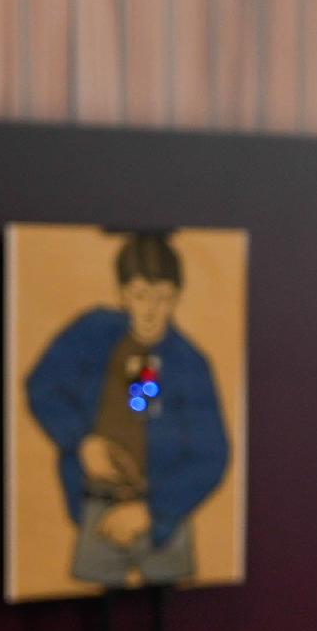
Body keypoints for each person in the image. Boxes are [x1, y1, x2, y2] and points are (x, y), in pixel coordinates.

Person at [22, 230, 231, 588]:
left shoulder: (190, 363)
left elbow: (212, 455)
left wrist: (152, 512)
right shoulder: (93, 333)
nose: (151, 310)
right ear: (122, 294)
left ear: (177, 296)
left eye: (163, 298)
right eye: (140, 295)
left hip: (165, 514)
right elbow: (43, 386)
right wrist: (81, 440)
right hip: (99, 506)